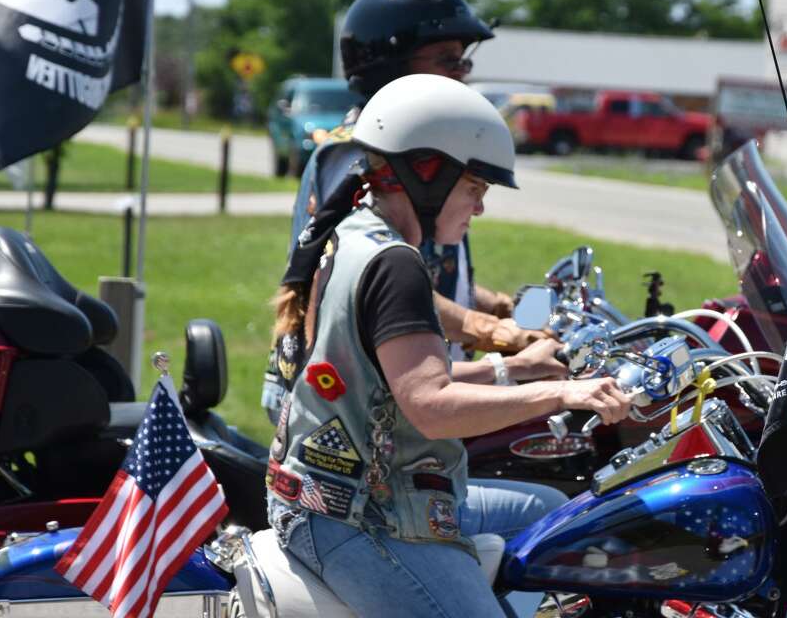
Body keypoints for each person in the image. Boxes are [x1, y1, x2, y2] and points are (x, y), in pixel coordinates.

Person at [266, 74, 633, 617]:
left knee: (553, 511)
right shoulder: (397, 267)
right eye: (475, 189)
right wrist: (564, 393)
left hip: (332, 497)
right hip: (363, 518)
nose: (479, 208)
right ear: (426, 174)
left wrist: (515, 370)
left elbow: (394, 383)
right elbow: (431, 408)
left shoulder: (356, 236)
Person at [263, 0, 540, 423]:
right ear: (390, 66)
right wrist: (489, 332)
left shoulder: (417, 151)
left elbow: (425, 273)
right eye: (449, 60)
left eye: (464, 62)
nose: (464, 74)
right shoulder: (360, 153)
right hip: (351, 416)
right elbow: (372, 284)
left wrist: (500, 306)